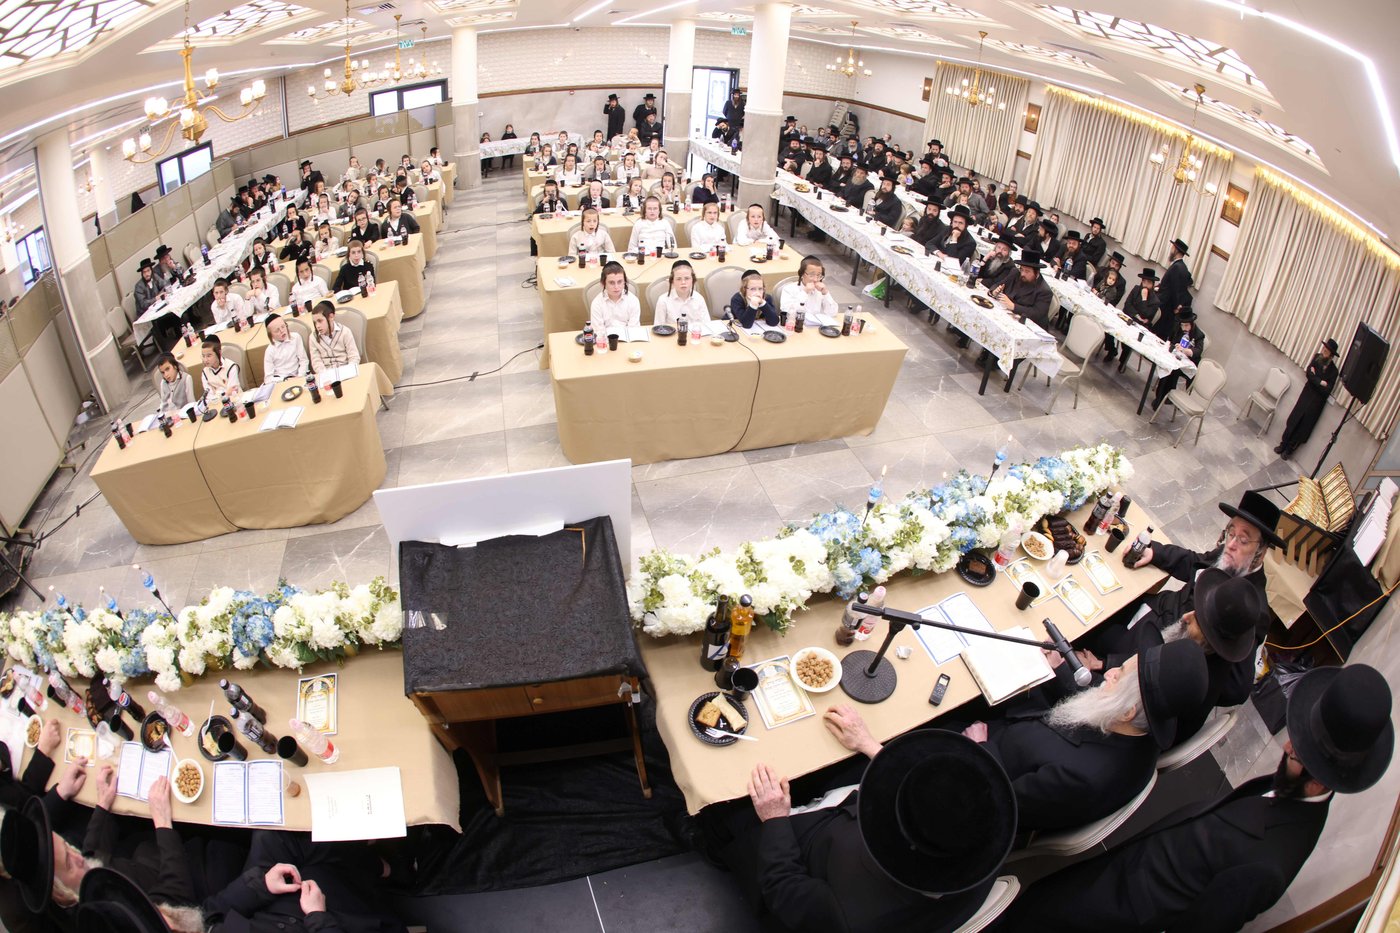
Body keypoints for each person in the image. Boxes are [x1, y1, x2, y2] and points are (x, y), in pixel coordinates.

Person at [1000, 663, 1393, 933]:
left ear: (1320, 780)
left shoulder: (1267, 869)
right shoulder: (1293, 790)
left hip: (1130, 905)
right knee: (1040, 899)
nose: (1288, 746)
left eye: (1298, 754)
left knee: (1034, 919)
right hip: (1139, 859)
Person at [702, 726, 1017, 933]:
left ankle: (705, 836)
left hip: (799, 845)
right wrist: (871, 746)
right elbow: (932, 798)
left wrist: (774, 818)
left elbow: (784, 889)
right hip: (843, 819)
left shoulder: (851, 918)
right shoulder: (985, 839)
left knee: (724, 811)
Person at [962, 639, 1208, 833]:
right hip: (1017, 726)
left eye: (1119, 674)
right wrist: (1059, 668)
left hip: (978, 775)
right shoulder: (1140, 722)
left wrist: (980, 749)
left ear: (1127, 712)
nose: (1109, 673)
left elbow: (1001, 804)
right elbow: (1097, 703)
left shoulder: (1081, 778)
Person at [1102, 490, 1281, 649]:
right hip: (1156, 607)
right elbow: (1195, 562)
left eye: (1243, 540)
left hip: (1160, 646)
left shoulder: (1253, 612)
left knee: (1098, 637)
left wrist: (1111, 663)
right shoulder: (1230, 552)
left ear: (1261, 552)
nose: (1231, 545)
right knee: (1107, 602)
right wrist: (1155, 552)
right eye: (1231, 533)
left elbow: (1221, 667)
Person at [1276, 337, 1341, 459]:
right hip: (1306, 396)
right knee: (1293, 420)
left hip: (1316, 403)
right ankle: (1282, 444)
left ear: (1331, 355)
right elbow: (1309, 374)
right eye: (1324, 348)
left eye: (1327, 350)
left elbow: (1327, 390)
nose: (1324, 350)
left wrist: (1315, 379)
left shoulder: (1334, 372)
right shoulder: (1317, 357)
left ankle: (1289, 450)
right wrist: (1320, 382)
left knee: (1303, 427)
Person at [1152, 302, 1206, 411]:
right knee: (1169, 368)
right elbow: (1171, 339)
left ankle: (1163, 396)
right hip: (1175, 358)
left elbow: (1197, 351)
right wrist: (1173, 345)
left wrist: (1185, 350)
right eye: (1182, 325)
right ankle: (1160, 396)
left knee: (1173, 371)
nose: (1184, 328)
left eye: (1186, 325)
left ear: (1192, 324)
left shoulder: (1198, 335)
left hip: (1188, 363)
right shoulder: (1177, 327)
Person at [1109, 267, 1162, 370]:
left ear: (1153, 285)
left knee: (1130, 339)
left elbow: (1146, 315)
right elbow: (1127, 305)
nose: (1145, 285)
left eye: (1148, 283)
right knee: (1109, 325)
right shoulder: (1136, 289)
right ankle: (1111, 349)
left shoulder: (1155, 301)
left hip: (1139, 326)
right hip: (1128, 317)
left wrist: (1144, 299)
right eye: (1144, 282)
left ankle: (1123, 362)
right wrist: (1137, 315)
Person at [992, 249, 1053, 330]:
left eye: (1027, 271)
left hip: (1029, 326)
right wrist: (994, 291)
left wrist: (1013, 306)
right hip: (1008, 315)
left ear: (1037, 273)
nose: (1023, 274)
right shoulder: (1015, 273)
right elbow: (997, 284)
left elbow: (1037, 314)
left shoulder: (1045, 291)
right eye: (1022, 269)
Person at [779, 256, 838, 323]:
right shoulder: (789, 289)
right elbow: (788, 313)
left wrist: (826, 293)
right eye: (811, 275)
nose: (815, 279)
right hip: (796, 325)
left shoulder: (820, 291)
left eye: (819, 275)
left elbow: (832, 313)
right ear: (802, 274)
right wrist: (805, 292)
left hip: (816, 326)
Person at [590, 261, 640, 335]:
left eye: (619, 282)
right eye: (611, 283)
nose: (616, 287)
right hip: (605, 340)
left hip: (628, 339)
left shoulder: (633, 300)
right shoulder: (597, 303)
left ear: (624, 282)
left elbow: (634, 330)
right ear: (603, 284)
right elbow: (598, 331)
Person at [653, 260, 709, 326]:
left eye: (687, 278)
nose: (683, 282)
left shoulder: (699, 298)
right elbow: (658, 327)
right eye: (678, 279)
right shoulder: (663, 300)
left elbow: (707, 324)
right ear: (672, 281)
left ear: (693, 280)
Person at [309, 301, 360, 372]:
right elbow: (316, 362)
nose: (317, 326)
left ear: (331, 317)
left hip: (346, 370)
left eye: (320, 321)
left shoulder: (345, 332)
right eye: (315, 322)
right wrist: (325, 374)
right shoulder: (313, 337)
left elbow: (354, 357)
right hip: (326, 374)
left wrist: (349, 371)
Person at [261, 313, 308, 383]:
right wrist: (284, 380)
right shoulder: (270, 351)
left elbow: (304, 361)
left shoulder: (296, 337)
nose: (282, 331)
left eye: (283, 327)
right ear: (271, 335)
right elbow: (268, 378)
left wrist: (300, 376)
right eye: (277, 330)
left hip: (298, 376)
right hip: (280, 380)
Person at [200, 336, 241, 405]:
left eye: (209, 356)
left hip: (236, 402)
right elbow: (209, 397)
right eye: (203, 356)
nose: (205, 360)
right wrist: (225, 393)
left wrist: (216, 394)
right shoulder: (205, 372)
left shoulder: (231, 366)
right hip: (216, 405)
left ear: (219, 353)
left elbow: (232, 392)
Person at [1159, 238, 1194, 318]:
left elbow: (1175, 289)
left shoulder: (1177, 267)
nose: (1171, 250)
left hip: (1165, 305)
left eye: (1172, 248)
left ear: (1176, 250)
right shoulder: (1183, 266)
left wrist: (1176, 306)